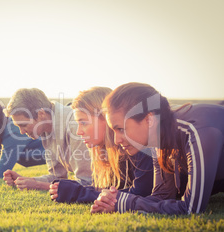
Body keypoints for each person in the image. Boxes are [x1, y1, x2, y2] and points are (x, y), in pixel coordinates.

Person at [91, 82, 224, 215]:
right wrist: (114, 201)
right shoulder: (157, 138)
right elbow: (162, 195)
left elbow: (191, 209)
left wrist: (125, 202)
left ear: (149, 120)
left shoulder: (197, 131)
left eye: (121, 129)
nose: (116, 140)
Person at [49, 87, 154, 203]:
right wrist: (71, 187)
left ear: (107, 119)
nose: (78, 132)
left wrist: (78, 193)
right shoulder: (107, 153)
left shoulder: (137, 147)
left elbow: (140, 193)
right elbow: (110, 189)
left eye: (83, 123)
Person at [3, 88, 92, 190]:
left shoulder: (75, 125)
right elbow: (57, 177)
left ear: (41, 114)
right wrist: (26, 180)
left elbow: (87, 184)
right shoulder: (46, 129)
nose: (22, 132)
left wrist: (37, 185)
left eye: (24, 125)